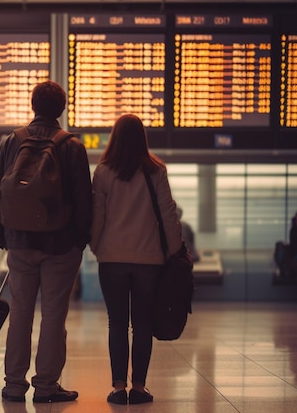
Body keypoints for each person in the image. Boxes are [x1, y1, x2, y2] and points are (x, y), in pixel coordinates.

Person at [0, 80, 92, 403]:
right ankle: (46, 386)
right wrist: (81, 241)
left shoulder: (11, 141)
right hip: (60, 246)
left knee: (20, 313)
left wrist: (1, 234)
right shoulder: (70, 146)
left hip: (19, 242)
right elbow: (83, 200)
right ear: (61, 109)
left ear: (33, 106)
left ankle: (14, 385)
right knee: (53, 316)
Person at [89, 114, 182, 405]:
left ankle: (118, 388)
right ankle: (139, 388)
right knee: (142, 324)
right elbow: (168, 212)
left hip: (112, 259)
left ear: (114, 137)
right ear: (142, 138)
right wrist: (172, 250)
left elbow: (97, 218)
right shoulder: (156, 171)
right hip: (149, 260)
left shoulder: (103, 172)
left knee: (116, 323)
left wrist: (96, 247)